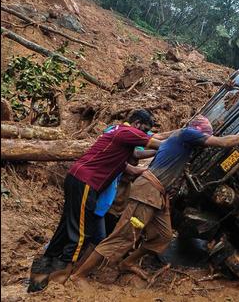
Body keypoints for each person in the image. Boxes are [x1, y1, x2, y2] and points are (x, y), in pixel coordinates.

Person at [70, 114, 239, 286]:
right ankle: (79, 276)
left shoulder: (181, 138)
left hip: (159, 195)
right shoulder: (188, 134)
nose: (205, 138)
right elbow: (222, 142)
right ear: (198, 131)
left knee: (163, 237)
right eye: (205, 134)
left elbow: (161, 141)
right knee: (123, 236)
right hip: (148, 191)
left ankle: (127, 262)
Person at [28, 109, 165, 292]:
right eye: (144, 130)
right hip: (87, 182)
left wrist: (141, 171)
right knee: (81, 232)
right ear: (137, 124)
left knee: (66, 225)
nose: (144, 134)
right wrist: (183, 141)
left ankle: (45, 265)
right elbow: (158, 144)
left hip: (77, 178)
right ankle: (62, 274)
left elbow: (127, 164)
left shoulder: (116, 132)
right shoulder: (127, 131)